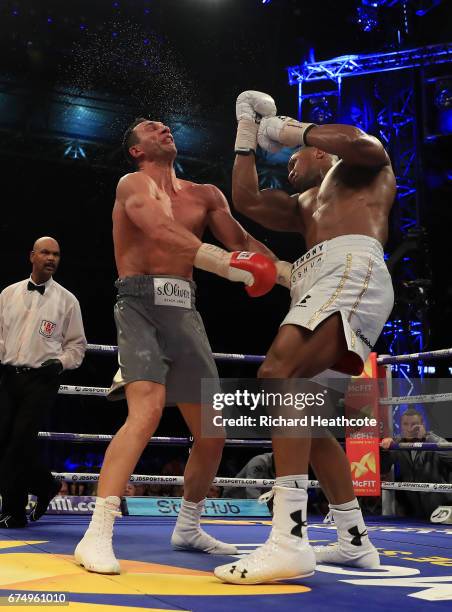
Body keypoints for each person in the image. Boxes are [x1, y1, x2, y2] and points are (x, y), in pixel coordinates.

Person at [74, 117, 289, 574]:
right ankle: (97, 532)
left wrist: (289, 273)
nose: (162, 127)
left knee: (213, 431)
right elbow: (158, 230)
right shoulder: (131, 183)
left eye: (164, 124)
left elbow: (242, 242)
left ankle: (188, 525)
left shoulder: (205, 194)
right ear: (136, 150)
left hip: (185, 309)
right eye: (150, 128)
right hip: (139, 305)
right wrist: (222, 263)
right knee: (146, 411)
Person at [214, 91, 396, 584]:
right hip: (320, 282)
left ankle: (289, 538)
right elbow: (247, 201)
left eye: (294, 157)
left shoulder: (356, 168)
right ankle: (354, 539)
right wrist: (247, 135)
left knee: (278, 371)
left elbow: (361, 144)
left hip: (349, 270)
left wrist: (288, 128)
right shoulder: (302, 207)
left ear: (319, 152)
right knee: (310, 422)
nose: (289, 165)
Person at [0, 237, 87, 528]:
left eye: (56, 254)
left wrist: (60, 363)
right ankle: (46, 485)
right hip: (8, 376)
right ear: (32, 256)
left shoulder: (67, 300)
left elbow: (77, 346)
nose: (51, 258)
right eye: (46, 253)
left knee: (19, 444)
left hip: (42, 380)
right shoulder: (8, 294)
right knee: (5, 443)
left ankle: (14, 511)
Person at [380, 407, 452, 519]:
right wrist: (384, 451)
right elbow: (383, 469)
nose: (409, 428)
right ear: (400, 425)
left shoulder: (433, 440)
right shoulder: (398, 443)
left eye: (414, 424)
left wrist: (428, 438)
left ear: (422, 424)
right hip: (416, 513)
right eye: (405, 424)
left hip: (444, 510)